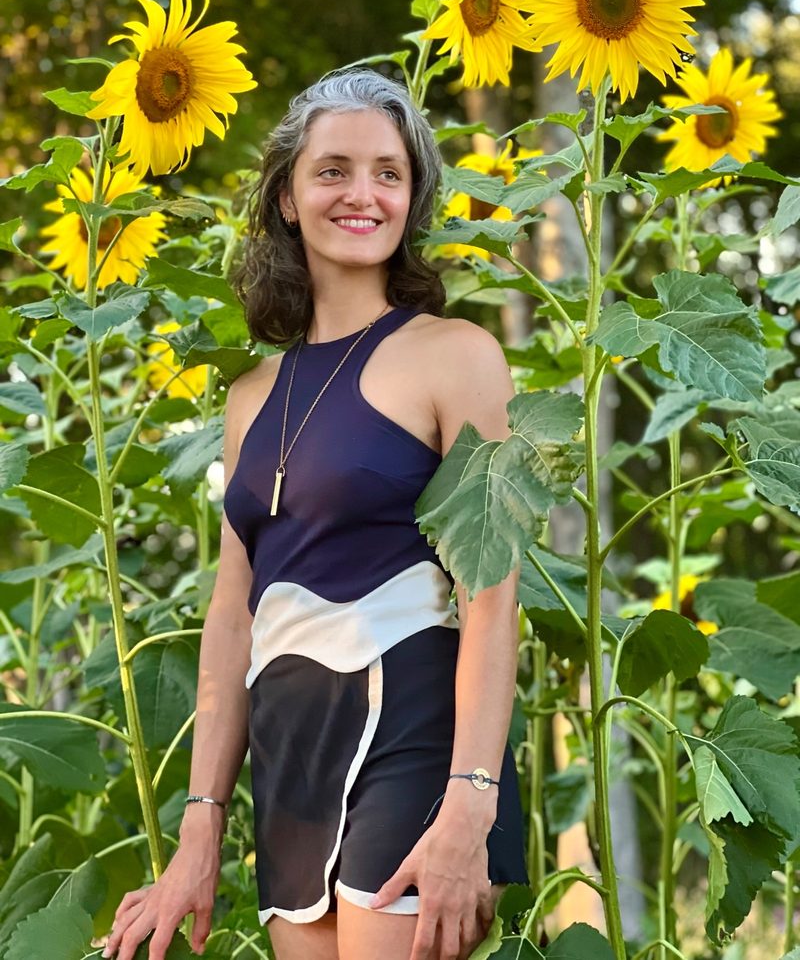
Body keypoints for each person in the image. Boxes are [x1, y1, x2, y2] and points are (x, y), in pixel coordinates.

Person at [102, 68, 527, 960]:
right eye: (333, 170)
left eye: (388, 172)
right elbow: (232, 611)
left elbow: (492, 594)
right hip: (288, 753)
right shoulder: (252, 394)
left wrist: (470, 806)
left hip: (414, 730)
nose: (361, 193)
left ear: (412, 199)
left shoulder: (455, 357)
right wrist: (199, 832)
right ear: (288, 198)